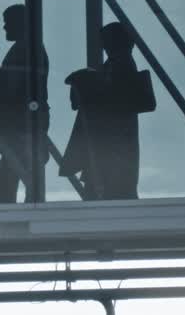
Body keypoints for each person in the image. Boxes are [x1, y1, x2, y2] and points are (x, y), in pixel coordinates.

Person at [60, 22, 150, 200]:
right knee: (108, 188)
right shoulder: (119, 63)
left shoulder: (121, 64)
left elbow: (113, 99)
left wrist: (89, 84)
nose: (103, 45)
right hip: (110, 144)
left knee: (110, 188)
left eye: (106, 41)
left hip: (111, 145)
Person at [0, 4, 50, 202]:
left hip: (21, 123)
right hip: (22, 122)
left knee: (20, 166)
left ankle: (25, 204)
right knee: (14, 166)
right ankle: (21, 202)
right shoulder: (26, 49)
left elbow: (11, 85)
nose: (4, 28)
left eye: (8, 23)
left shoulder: (26, 50)